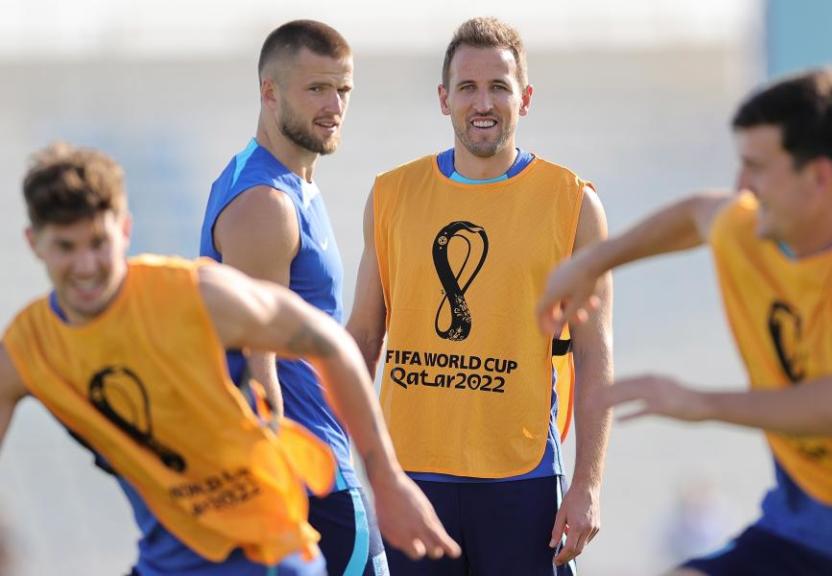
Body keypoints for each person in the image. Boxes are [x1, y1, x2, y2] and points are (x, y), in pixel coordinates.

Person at [536, 68, 832, 575]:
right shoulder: (753, 229)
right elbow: (695, 215)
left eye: (757, 167)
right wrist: (591, 263)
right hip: (807, 527)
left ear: (818, 177)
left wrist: (701, 403)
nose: (741, 185)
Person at [0, 143, 459, 576]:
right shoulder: (27, 349)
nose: (85, 265)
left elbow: (330, 342)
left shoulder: (193, 295)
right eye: (65, 247)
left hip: (264, 552)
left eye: (98, 243)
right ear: (34, 242)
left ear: (124, 231)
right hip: (166, 561)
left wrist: (386, 478)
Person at [347, 17, 613, 576]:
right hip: (411, 480)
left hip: (522, 480)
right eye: (467, 87)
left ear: (526, 98)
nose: (483, 102)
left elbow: (594, 355)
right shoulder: (392, 194)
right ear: (444, 99)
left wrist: (587, 484)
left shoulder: (572, 203)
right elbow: (364, 336)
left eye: (499, 86)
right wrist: (344, 459)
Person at [198, 20, 388, 575]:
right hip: (308, 483)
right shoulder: (265, 204)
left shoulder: (289, 184)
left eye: (343, 90)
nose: (334, 105)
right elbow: (261, 372)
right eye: (316, 90)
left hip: (324, 465)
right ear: (269, 91)